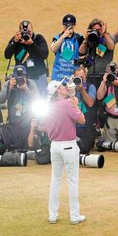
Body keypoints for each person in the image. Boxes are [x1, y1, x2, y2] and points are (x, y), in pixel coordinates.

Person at [45, 79, 86, 225]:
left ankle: (52, 215)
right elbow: (82, 119)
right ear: (58, 91)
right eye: (62, 86)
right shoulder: (67, 104)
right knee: (72, 180)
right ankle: (74, 216)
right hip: (68, 145)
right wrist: (75, 105)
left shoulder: (48, 107)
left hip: (54, 146)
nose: (64, 87)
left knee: (55, 180)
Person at [0, 65, 39, 149]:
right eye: (18, 77)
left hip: (28, 121)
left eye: (22, 76)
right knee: (15, 147)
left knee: (28, 147)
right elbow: (0, 100)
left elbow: (38, 99)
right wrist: (9, 88)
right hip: (14, 122)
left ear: (25, 75)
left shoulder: (30, 83)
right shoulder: (9, 83)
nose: (20, 79)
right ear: (14, 76)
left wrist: (26, 89)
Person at [4, 20, 49, 96]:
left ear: (33, 30)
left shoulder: (38, 38)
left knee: (42, 100)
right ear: (19, 31)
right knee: (24, 103)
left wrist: (32, 44)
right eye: (24, 32)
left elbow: (44, 55)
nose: (27, 34)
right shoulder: (16, 40)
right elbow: (7, 55)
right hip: (22, 78)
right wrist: (14, 42)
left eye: (29, 32)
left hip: (39, 76)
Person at [78, 18, 114, 88]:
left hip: (104, 76)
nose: (96, 32)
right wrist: (86, 39)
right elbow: (81, 52)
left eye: (98, 30)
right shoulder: (90, 39)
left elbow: (111, 46)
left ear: (102, 29)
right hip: (90, 76)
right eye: (94, 30)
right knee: (91, 97)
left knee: (104, 98)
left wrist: (105, 33)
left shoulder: (108, 37)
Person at [50, 14, 83, 81]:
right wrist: (64, 35)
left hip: (73, 75)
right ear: (63, 25)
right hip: (58, 75)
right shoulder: (57, 37)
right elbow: (53, 49)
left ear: (74, 25)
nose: (69, 27)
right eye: (66, 25)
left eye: (71, 25)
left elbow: (83, 54)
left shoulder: (79, 37)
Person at [73, 68, 96, 154]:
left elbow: (90, 103)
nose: (80, 80)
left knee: (84, 148)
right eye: (77, 78)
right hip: (73, 127)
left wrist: (82, 89)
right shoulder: (70, 88)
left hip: (87, 126)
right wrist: (71, 89)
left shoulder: (91, 87)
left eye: (82, 78)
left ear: (86, 77)